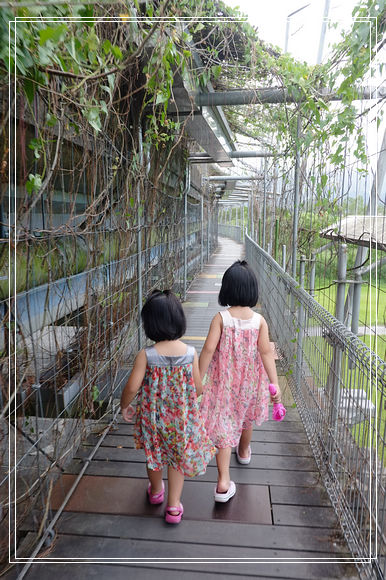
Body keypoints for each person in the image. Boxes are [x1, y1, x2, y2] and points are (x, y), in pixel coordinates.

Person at [120, 289, 216, 524]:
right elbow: (198, 387)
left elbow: (132, 387)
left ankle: (155, 492)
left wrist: (125, 405)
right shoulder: (190, 353)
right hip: (180, 422)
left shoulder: (147, 355)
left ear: (150, 324)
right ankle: (173, 506)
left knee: (154, 456)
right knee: (176, 460)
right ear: (179, 321)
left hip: (153, 421)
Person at [199, 260, 281, 503]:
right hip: (250, 383)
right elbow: (267, 353)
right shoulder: (259, 321)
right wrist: (274, 385)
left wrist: (199, 381)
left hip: (223, 383)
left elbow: (207, 349)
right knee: (245, 415)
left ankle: (223, 482)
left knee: (224, 426)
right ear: (252, 291)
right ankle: (244, 452)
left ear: (226, 289)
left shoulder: (221, 318)